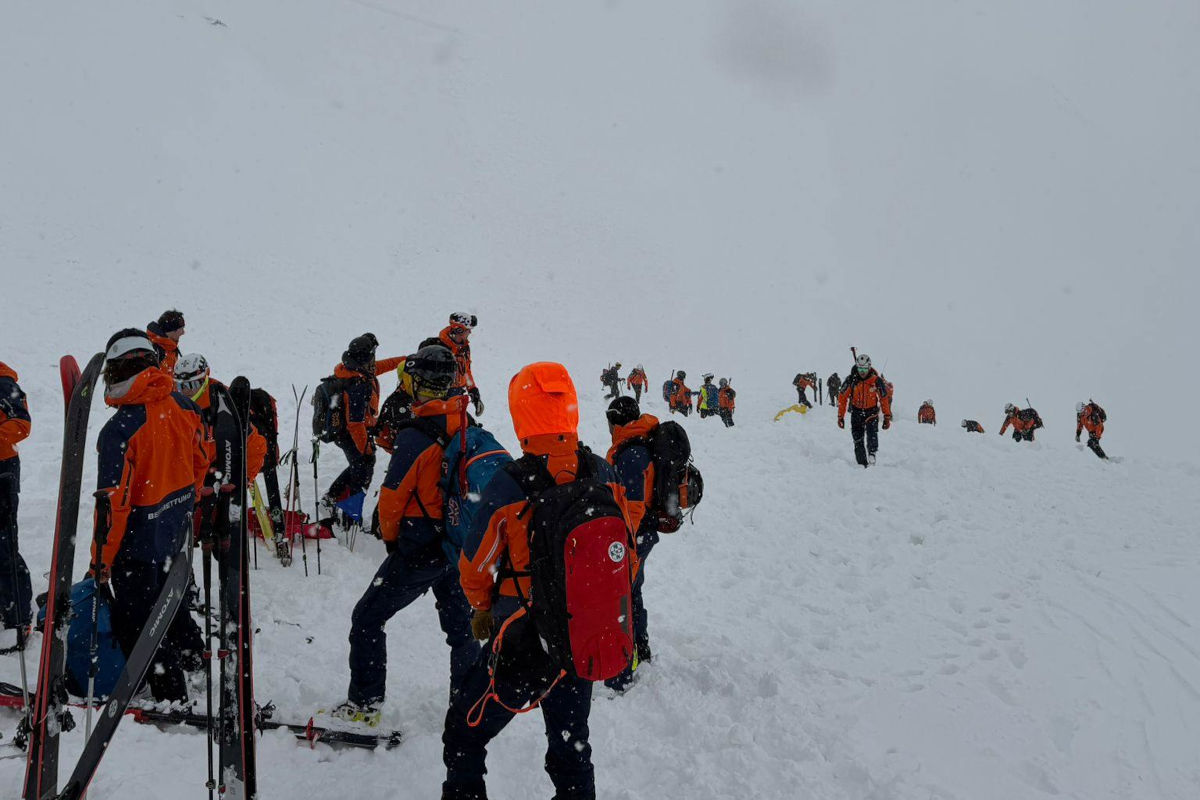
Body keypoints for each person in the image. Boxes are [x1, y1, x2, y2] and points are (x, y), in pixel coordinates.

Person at [444, 362, 632, 800]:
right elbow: (626, 560)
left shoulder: (511, 483)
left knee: (464, 733)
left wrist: (483, 608)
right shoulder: (604, 473)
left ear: (520, 414)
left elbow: (475, 567)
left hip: (524, 640)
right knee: (571, 748)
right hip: (580, 635)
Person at [332, 345, 480, 726]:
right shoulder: (465, 424)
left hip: (421, 546)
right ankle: (467, 701)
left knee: (366, 618)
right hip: (455, 542)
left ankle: (364, 704)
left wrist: (395, 543)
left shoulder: (415, 435)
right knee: (461, 630)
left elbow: (392, 501)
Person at [93, 329, 209, 702]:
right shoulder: (184, 406)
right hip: (174, 529)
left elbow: (113, 506)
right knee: (170, 598)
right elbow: (200, 462)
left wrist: (100, 562)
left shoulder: (122, 429)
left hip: (138, 542)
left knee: (139, 621)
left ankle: (170, 694)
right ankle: (195, 657)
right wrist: (182, 505)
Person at [601, 397, 659, 691]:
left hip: (635, 535)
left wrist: (621, 544)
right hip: (642, 533)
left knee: (621, 599)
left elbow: (633, 506)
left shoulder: (632, 453)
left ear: (616, 421)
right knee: (632, 593)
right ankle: (640, 652)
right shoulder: (638, 444)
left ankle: (621, 672)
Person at [319, 334, 405, 519]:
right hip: (347, 433)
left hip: (349, 431)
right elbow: (355, 424)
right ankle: (350, 516)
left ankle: (332, 498)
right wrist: (365, 449)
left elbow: (385, 365)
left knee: (359, 465)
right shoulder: (356, 385)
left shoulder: (356, 369)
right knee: (362, 469)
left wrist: (410, 359)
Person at [0, 361, 32, 652]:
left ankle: (19, 616)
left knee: (5, 547)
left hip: (2, 474)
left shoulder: (4, 384)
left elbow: (22, 424)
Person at [837, 354, 892, 467]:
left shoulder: (876, 380)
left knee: (872, 434)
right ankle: (862, 464)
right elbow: (842, 398)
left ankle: (872, 454)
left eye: (864, 369)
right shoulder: (851, 379)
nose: (862, 372)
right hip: (856, 413)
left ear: (869, 367)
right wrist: (840, 416)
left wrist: (887, 416)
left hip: (871, 413)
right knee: (858, 440)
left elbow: (884, 398)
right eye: (860, 368)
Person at [439, 313, 484, 416]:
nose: (470, 332)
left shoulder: (464, 348)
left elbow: (466, 372)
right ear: (458, 330)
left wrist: (473, 392)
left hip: (457, 397)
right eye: (467, 330)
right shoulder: (438, 348)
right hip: (441, 402)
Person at [145, 309, 186, 376]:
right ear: (172, 331)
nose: (183, 332)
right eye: (181, 329)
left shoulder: (170, 346)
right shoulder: (154, 351)